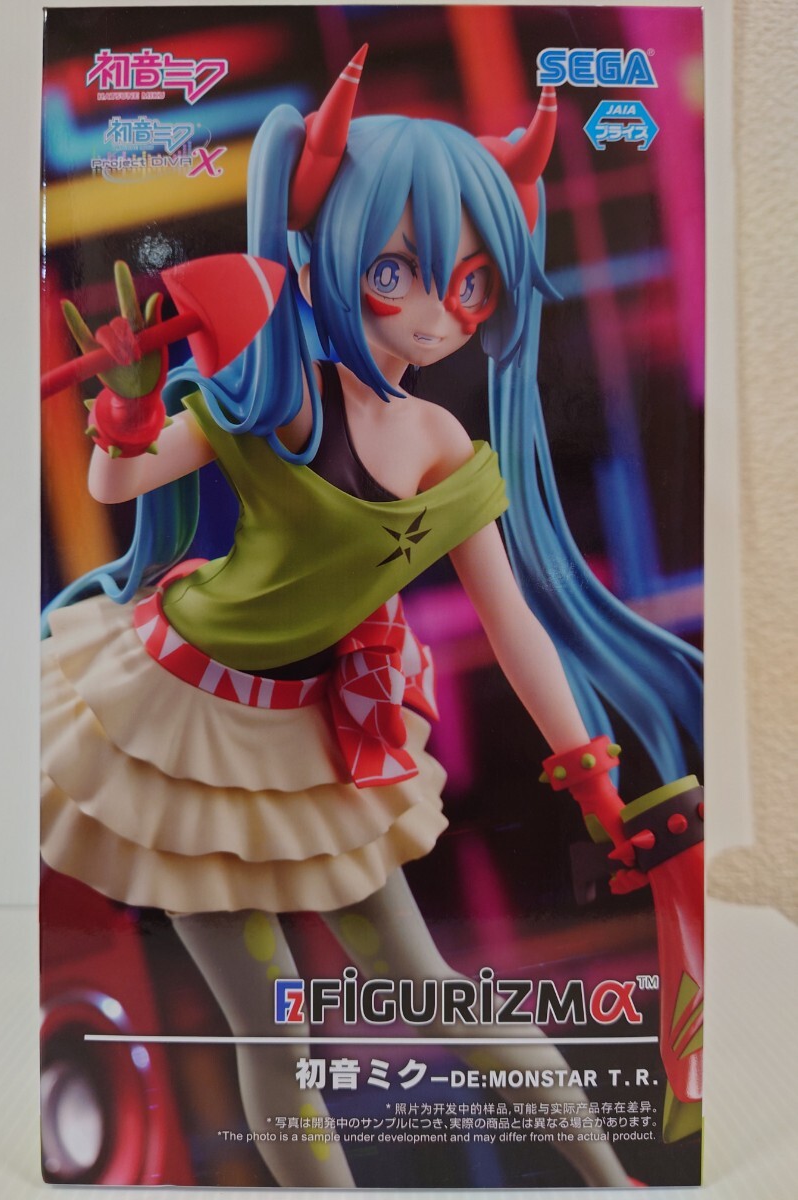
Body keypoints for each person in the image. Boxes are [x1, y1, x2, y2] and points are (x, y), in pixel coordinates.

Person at [41, 48, 701, 1188]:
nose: (441, 313)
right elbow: (118, 484)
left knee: (433, 989)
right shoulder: (267, 397)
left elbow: (514, 626)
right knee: (272, 1026)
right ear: (331, 255)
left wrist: (593, 778)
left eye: (473, 284)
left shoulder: (445, 447)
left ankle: (616, 1181)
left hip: (315, 737)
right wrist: (130, 413)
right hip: (176, 723)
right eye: (400, 271)